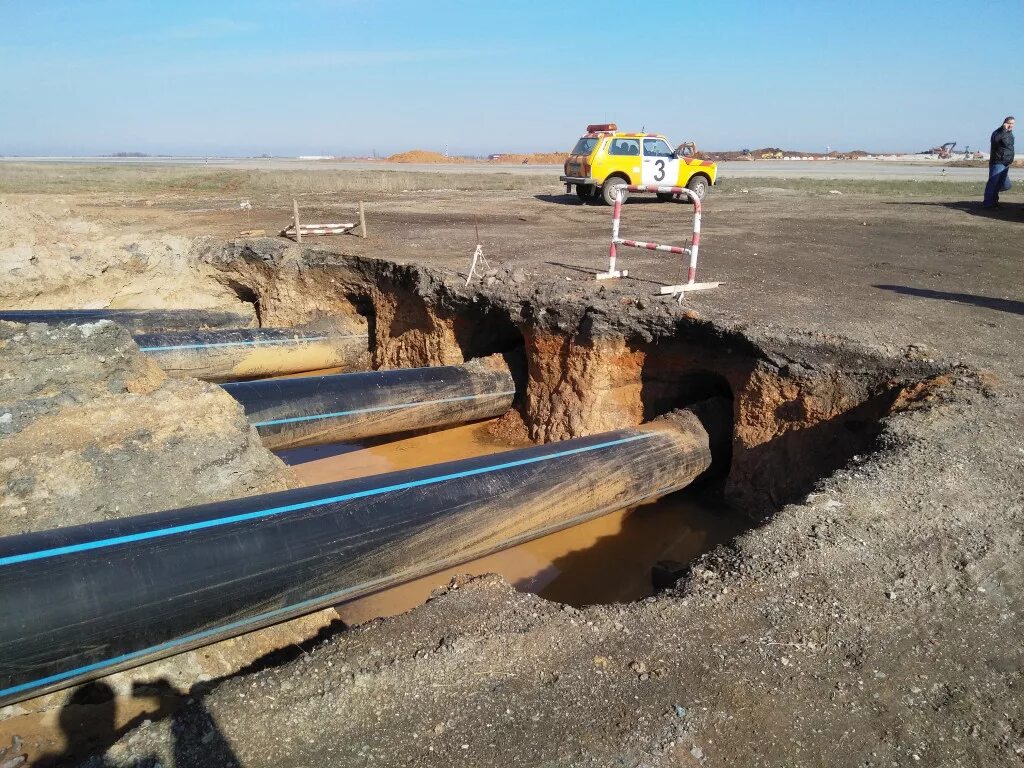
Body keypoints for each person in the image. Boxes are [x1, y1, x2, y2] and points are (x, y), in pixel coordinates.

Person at [982, 116, 1015, 208]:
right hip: (997, 162)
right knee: (993, 183)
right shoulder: (998, 132)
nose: (1011, 125)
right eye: (1009, 123)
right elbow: (995, 140)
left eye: (1012, 123)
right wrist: (1003, 130)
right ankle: (988, 203)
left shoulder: (1010, 134)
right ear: (1005, 123)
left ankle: (994, 202)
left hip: (1006, 163)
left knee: (1004, 185)